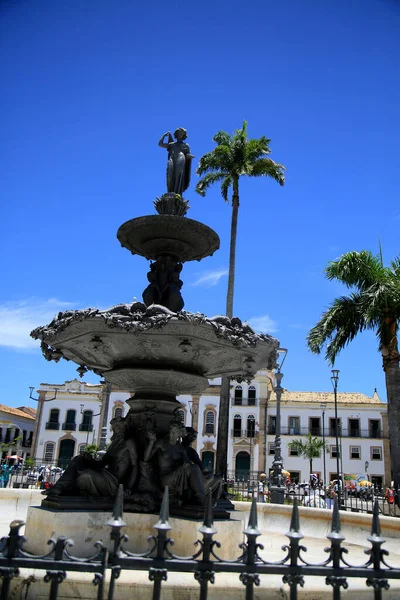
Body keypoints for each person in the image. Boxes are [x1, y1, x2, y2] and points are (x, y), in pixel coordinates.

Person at [43, 417, 138, 498]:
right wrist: (89, 458)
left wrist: (129, 488)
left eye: (118, 427)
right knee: (78, 459)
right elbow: (101, 464)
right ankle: (58, 488)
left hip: (114, 482)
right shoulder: (113, 445)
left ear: (124, 427)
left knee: (85, 476)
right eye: (114, 428)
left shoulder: (129, 443)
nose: (116, 430)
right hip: (106, 475)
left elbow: (135, 466)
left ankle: (64, 489)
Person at [145, 421, 206, 507]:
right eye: (180, 432)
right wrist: (151, 442)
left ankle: (200, 497)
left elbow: (188, 462)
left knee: (194, 467)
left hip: (177, 475)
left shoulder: (180, 448)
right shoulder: (161, 443)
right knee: (193, 468)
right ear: (174, 431)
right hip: (165, 478)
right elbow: (146, 458)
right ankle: (201, 499)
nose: (181, 435)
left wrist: (186, 464)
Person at [181, 428, 224, 501]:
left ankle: (215, 500)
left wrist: (205, 470)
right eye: (191, 437)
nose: (192, 440)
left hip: (197, 475)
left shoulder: (191, 451)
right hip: (187, 477)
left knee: (219, 478)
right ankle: (203, 499)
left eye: (194, 437)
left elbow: (201, 465)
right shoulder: (180, 449)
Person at [158, 128, 194, 195]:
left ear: (184, 135)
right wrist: (164, 136)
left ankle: (177, 193)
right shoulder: (171, 144)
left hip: (181, 157)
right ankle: (170, 191)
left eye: (182, 133)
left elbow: (187, 154)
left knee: (178, 174)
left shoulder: (186, 145)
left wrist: (189, 156)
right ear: (176, 134)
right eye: (179, 133)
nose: (180, 134)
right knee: (169, 174)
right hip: (172, 158)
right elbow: (160, 144)